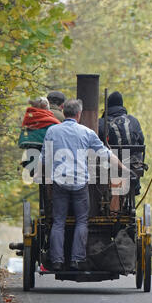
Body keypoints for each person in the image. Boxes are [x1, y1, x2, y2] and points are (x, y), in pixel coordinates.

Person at [38, 99, 129, 271]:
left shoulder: (52, 131)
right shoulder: (86, 132)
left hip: (60, 182)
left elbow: (43, 157)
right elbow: (105, 153)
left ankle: (57, 260)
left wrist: (36, 172)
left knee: (58, 222)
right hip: (80, 183)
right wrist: (123, 167)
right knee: (81, 221)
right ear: (79, 114)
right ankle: (77, 259)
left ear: (64, 112)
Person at [98, 91, 145, 195]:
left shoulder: (101, 123)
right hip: (132, 164)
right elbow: (141, 140)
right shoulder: (133, 120)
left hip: (109, 165)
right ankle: (134, 189)